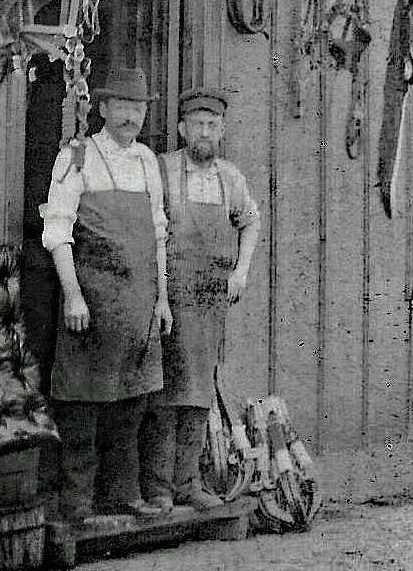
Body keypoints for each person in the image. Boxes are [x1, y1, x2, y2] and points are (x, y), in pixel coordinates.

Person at [41, 67, 172, 523]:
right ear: (102, 109)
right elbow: (56, 232)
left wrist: (162, 299)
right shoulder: (76, 157)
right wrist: (74, 296)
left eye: (138, 108)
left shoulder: (148, 163)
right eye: (122, 106)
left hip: (138, 304)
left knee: (132, 405)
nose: (131, 116)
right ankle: (77, 502)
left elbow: (158, 234)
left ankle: (124, 492)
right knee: (82, 405)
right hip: (91, 301)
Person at [139, 87, 261, 512]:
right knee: (163, 393)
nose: (205, 133)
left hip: (210, 300)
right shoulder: (163, 169)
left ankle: (187, 484)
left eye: (212, 126)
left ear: (222, 130)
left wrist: (241, 271)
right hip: (168, 297)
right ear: (181, 129)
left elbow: (250, 222)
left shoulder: (230, 178)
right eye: (197, 125)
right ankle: (157, 488)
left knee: (197, 393)